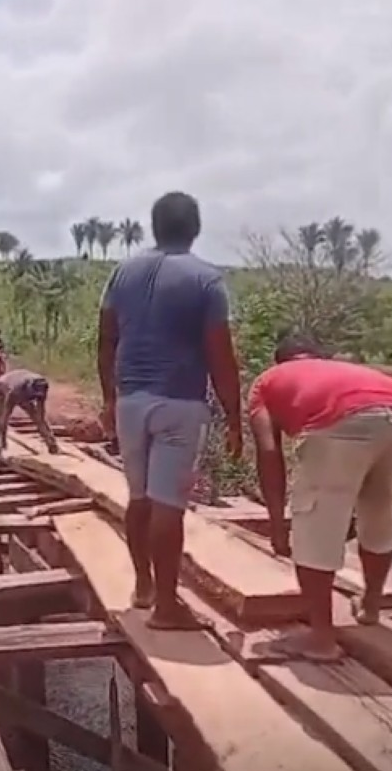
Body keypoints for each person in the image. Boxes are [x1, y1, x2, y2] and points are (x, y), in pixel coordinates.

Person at [97, 191, 243, 631]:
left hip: (130, 401)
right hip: (180, 403)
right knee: (168, 506)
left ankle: (143, 586)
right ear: (195, 229)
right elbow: (220, 355)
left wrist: (109, 398)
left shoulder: (122, 273)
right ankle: (166, 606)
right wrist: (234, 417)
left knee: (139, 499)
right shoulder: (207, 280)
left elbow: (106, 339)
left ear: (154, 226)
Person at [247, 334, 392, 662]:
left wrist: (277, 523)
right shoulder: (347, 370)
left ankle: (321, 639)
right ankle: (370, 606)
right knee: (379, 512)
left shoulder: (268, 381)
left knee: (316, 525)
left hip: (342, 423)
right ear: (319, 356)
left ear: (280, 361)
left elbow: (269, 452)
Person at [0, 368, 60, 460]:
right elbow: (6, 413)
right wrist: (3, 439)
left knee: (39, 419)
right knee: (0, 421)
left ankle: (52, 445)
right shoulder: (16, 390)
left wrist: (41, 423)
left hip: (22, 391)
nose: (37, 397)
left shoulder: (42, 387)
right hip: (1, 390)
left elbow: (41, 414)